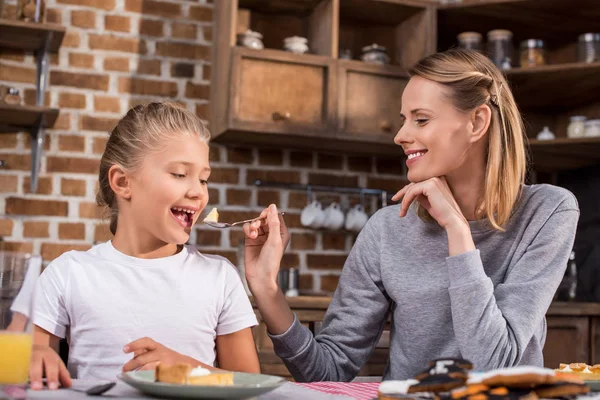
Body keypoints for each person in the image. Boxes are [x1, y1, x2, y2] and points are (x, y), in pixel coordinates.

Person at [243, 49, 580, 381]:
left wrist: (457, 232)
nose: (400, 136)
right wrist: (267, 291)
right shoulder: (387, 229)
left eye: (421, 119)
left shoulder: (548, 212)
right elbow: (327, 371)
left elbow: (496, 364)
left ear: (477, 122)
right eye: (404, 119)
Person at [30, 102, 260, 390]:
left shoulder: (219, 277)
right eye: (179, 174)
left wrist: (190, 371)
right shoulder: (69, 273)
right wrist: (34, 357)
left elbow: (251, 387)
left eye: (204, 179)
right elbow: (33, 368)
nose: (198, 192)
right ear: (123, 181)